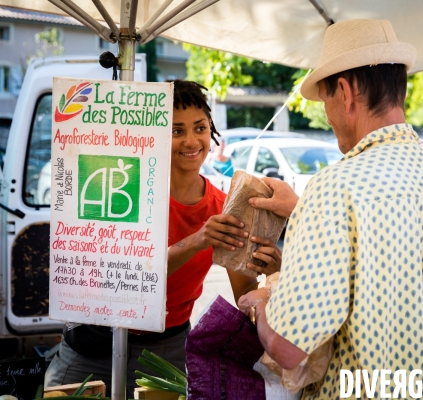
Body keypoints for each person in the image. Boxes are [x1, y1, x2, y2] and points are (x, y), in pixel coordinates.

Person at [238, 19, 423, 399]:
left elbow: (286, 347)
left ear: (345, 92)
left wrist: (262, 306)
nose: (327, 116)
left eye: (326, 100)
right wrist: (301, 213)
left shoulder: (335, 188)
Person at [45, 80, 282, 397]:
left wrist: (271, 271)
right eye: (176, 130)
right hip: (94, 342)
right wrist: (196, 240)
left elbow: (246, 298)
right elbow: (120, 278)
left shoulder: (223, 207)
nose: (191, 140)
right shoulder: (124, 188)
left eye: (200, 128)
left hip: (165, 352)